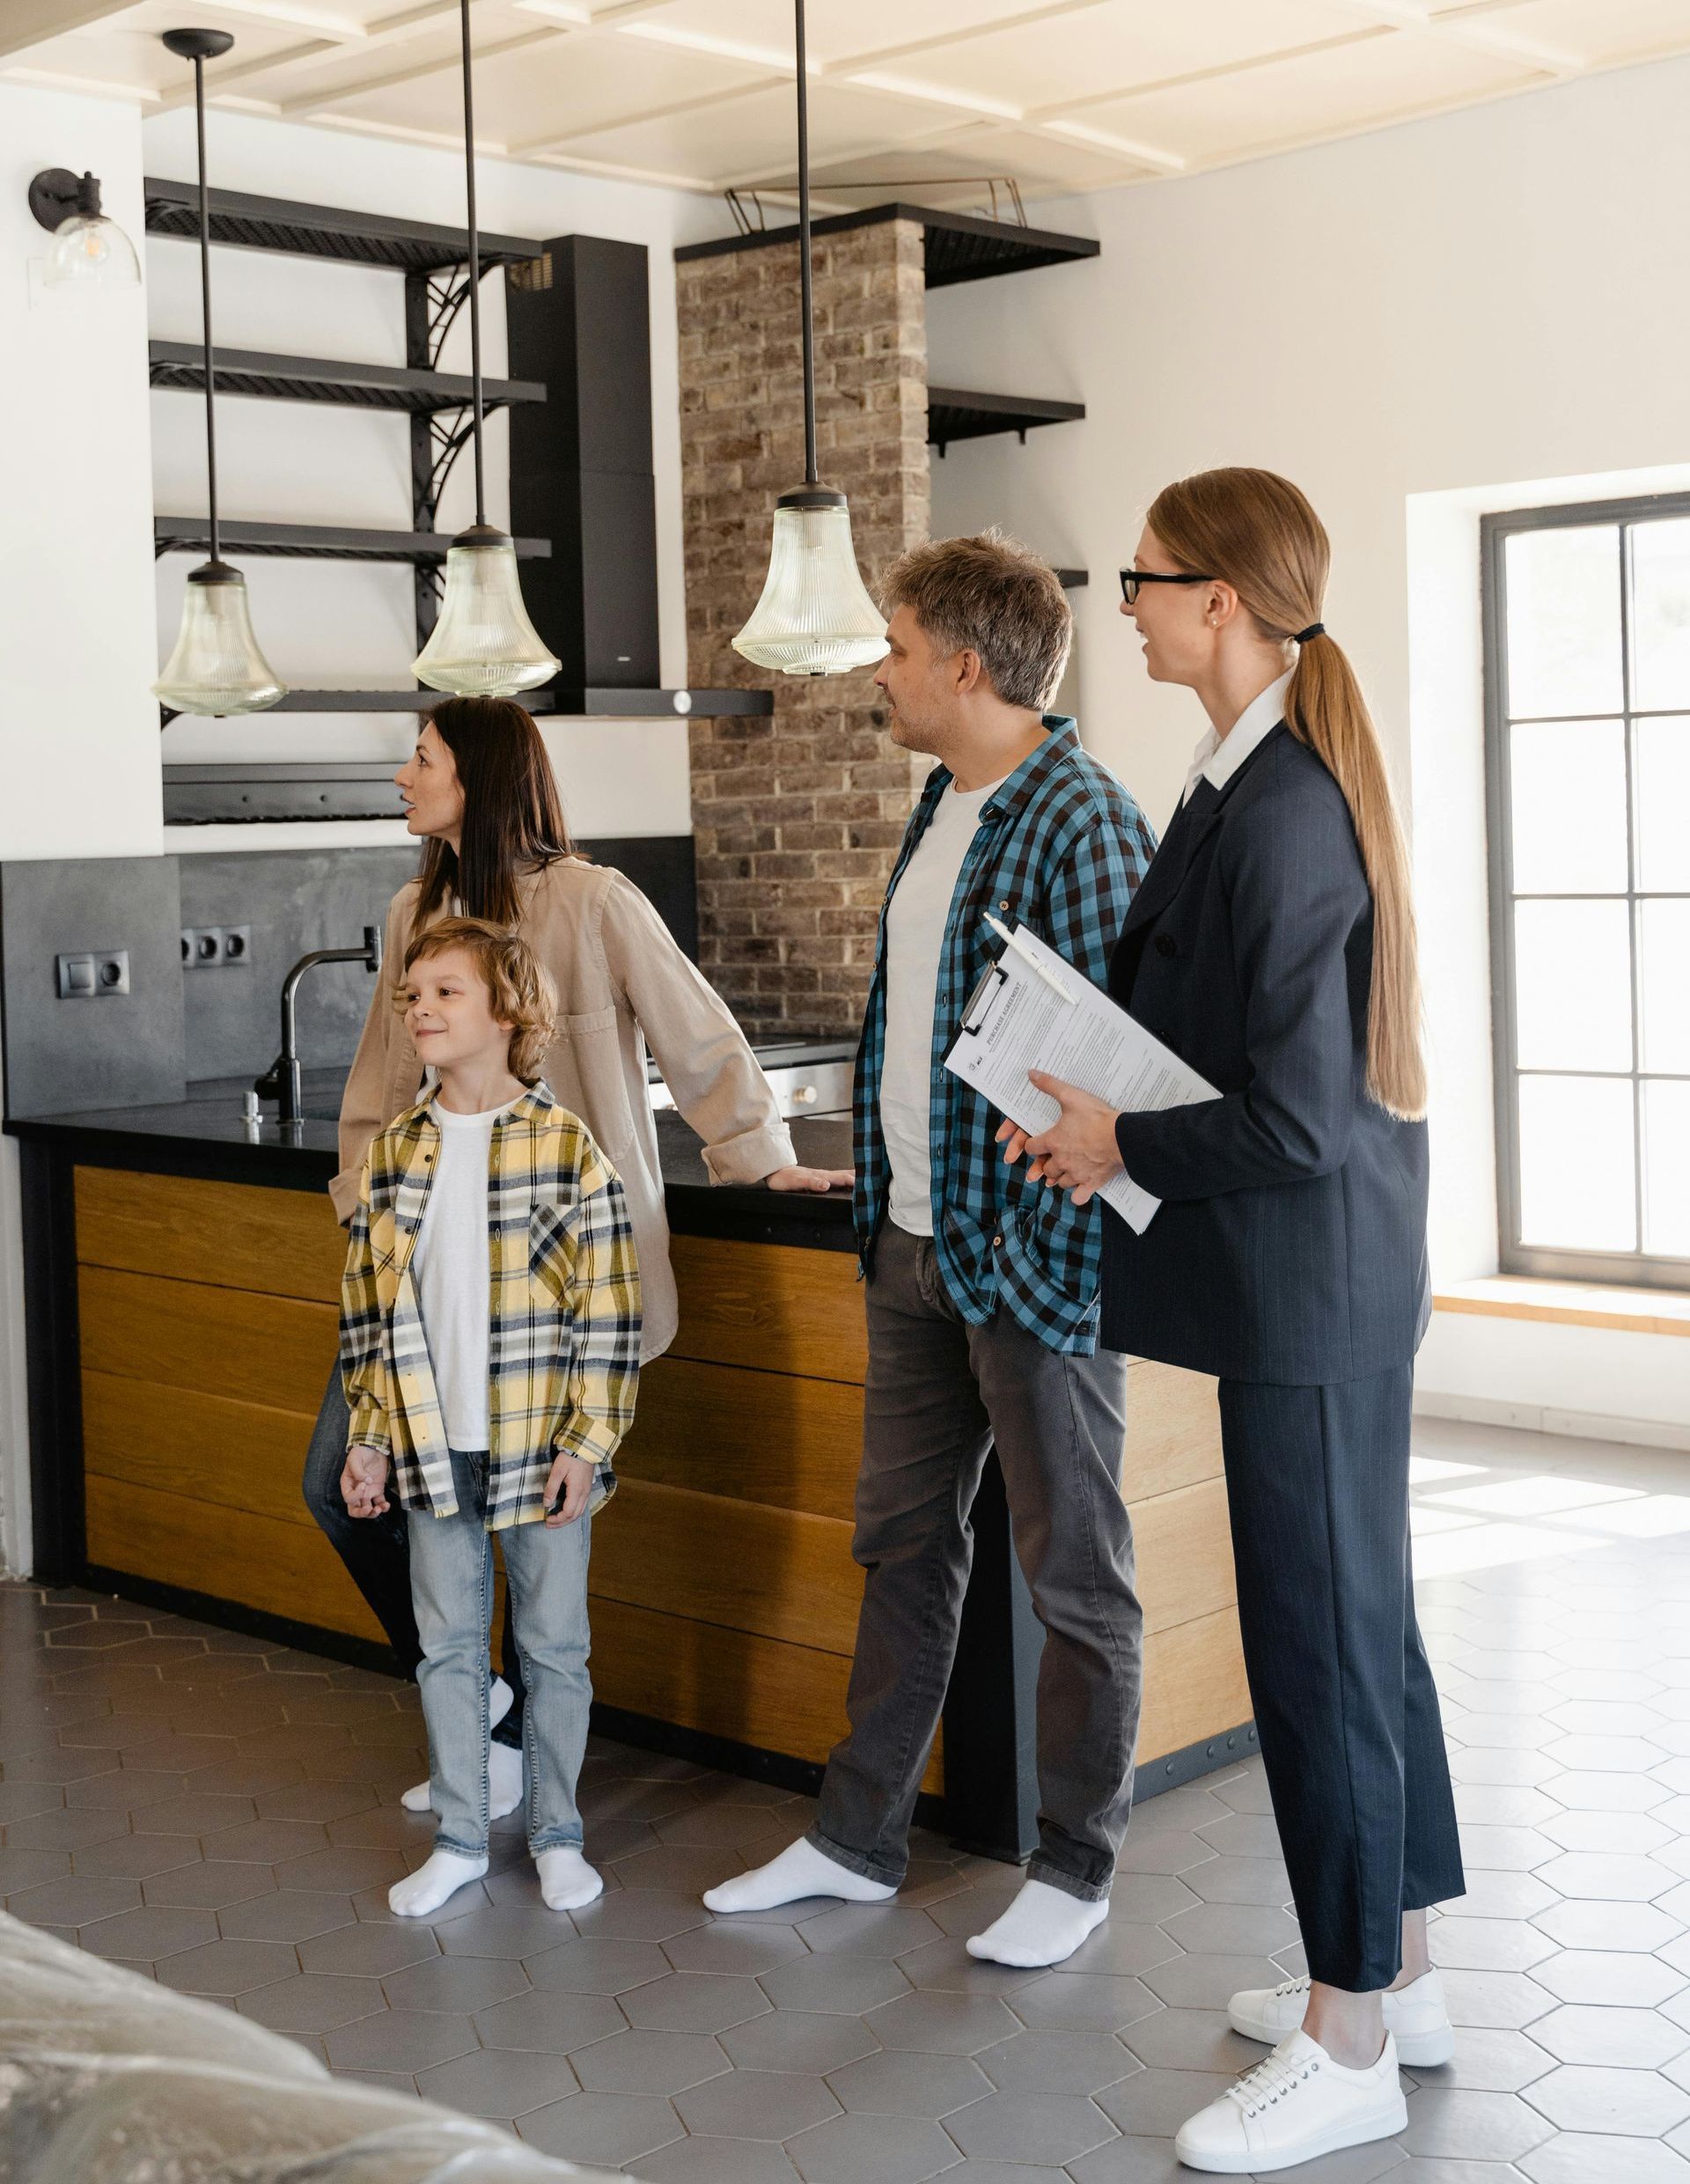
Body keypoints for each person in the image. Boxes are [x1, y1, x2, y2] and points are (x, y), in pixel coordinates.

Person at [1006, 469, 1462, 2172]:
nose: (1120, 605)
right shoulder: (1250, 778)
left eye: (1140, 579)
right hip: (1315, 1285)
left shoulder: (1275, 805)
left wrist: (1112, 1134)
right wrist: (1088, 1103)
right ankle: (1399, 1971)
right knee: (1366, 1632)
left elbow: (1289, 1118)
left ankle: (1349, 2037)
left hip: (1311, 1293)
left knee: (1320, 1650)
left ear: (1220, 602)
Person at [703, 533, 1157, 1971]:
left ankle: (1077, 1865)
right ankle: (856, 1840)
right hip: (905, 1244)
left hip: (1027, 1264)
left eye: (897, 651)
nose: (880, 676)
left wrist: (1017, 1223)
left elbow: (1102, 1071)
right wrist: (888, 1170)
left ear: (966, 664)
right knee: (901, 1547)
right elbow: (928, 1028)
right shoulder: (940, 801)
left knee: (1076, 1573)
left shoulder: (1080, 816)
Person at [305, 696, 848, 1814]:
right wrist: (366, 1208)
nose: (403, 777)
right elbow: (374, 1091)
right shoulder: (416, 910)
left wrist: (758, 1159)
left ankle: (521, 1768)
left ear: (481, 777)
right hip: (423, 1289)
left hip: (558, 1294)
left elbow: (702, 1039)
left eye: (422, 759)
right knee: (339, 1486)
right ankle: (488, 1711)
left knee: (529, 1537)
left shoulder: (596, 901)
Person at [341, 917, 641, 1920]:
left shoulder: (568, 1152)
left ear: (509, 1011)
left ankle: (558, 1836)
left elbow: (607, 1315)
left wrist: (587, 1446)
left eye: (446, 992)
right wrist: (370, 1437)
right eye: (412, 994)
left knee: (553, 1649)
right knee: (448, 1649)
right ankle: (464, 1838)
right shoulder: (395, 1154)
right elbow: (370, 1317)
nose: (420, 1007)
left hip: (537, 1450)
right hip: (431, 1447)